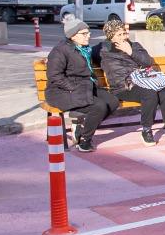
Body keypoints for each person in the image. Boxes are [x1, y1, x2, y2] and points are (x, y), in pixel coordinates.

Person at [96, 19, 165, 146]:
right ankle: (146, 130)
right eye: (119, 34)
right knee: (149, 94)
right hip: (123, 87)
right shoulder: (102, 50)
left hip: (143, 81)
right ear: (110, 36)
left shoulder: (135, 46)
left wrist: (131, 52)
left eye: (125, 33)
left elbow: (148, 62)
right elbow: (83, 56)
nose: (124, 37)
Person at [45, 14, 118, 153]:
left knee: (113, 102)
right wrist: (73, 88)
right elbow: (54, 76)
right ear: (73, 36)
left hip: (85, 86)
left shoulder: (84, 49)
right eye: (84, 33)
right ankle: (84, 141)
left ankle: (82, 129)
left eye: (88, 32)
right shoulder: (60, 51)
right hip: (61, 92)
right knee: (99, 107)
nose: (88, 35)